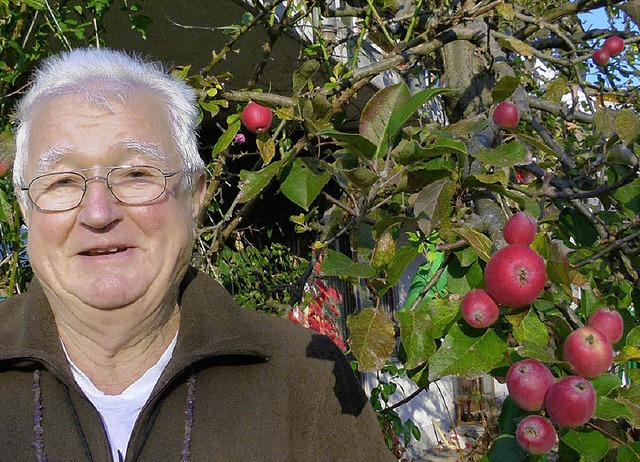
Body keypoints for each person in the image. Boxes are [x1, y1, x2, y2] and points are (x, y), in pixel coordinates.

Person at [0, 48, 394, 461]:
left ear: (194, 196)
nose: (98, 213)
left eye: (136, 174)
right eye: (61, 181)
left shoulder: (303, 380)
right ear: (26, 208)